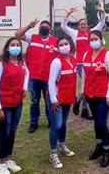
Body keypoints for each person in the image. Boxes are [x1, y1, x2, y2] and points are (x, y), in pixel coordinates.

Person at [61, 5, 106, 120]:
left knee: (88, 85)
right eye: (81, 24)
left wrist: (103, 13)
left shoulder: (93, 32)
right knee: (87, 85)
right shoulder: (74, 33)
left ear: (87, 25)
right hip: (80, 63)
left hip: (91, 63)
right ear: (78, 26)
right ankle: (81, 104)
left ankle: (82, 106)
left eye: (85, 24)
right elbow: (63, 26)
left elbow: (101, 23)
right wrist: (67, 14)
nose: (83, 25)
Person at [0, 37, 29, 174]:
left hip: (17, 102)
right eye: (12, 45)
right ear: (7, 48)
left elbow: (27, 75)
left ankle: (8, 159)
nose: (15, 47)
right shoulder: (1, 64)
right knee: (4, 132)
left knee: (12, 131)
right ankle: (1, 162)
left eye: (18, 45)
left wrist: (24, 88)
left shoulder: (22, 63)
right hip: (4, 104)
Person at [15, 19, 58, 133]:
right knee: (34, 100)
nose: (44, 26)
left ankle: (51, 121)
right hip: (33, 78)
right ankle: (34, 122)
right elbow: (17, 35)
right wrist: (29, 26)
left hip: (49, 79)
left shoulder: (55, 42)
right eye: (42, 25)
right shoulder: (32, 38)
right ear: (39, 28)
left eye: (46, 25)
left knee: (49, 101)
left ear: (50, 29)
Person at [82, 30, 109, 168]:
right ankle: (99, 146)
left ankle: (107, 150)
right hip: (90, 95)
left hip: (103, 95)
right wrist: (83, 92)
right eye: (91, 39)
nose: (93, 41)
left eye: (96, 39)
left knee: (102, 123)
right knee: (96, 122)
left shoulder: (107, 55)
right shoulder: (86, 54)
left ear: (101, 40)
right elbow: (84, 74)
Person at [47, 37, 77, 169]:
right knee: (57, 125)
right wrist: (53, 100)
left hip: (67, 98)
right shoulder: (56, 61)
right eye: (61, 44)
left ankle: (62, 146)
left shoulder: (73, 59)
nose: (64, 46)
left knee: (63, 124)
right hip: (56, 99)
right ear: (58, 48)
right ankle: (53, 153)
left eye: (66, 43)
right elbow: (51, 81)